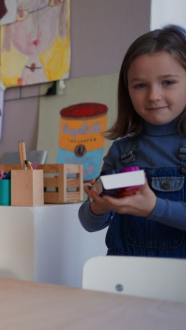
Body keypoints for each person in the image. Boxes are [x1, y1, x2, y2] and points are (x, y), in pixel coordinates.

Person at [79, 24, 186, 258]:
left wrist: (154, 208)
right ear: (127, 90)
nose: (153, 95)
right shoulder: (121, 150)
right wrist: (99, 206)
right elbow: (89, 223)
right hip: (125, 282)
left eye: (168, 82)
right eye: (140, 85)